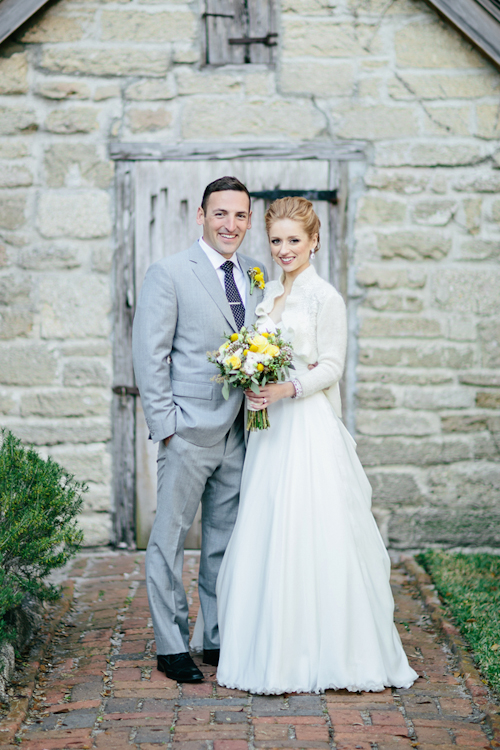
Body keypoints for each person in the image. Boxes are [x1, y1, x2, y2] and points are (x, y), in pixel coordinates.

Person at [215, 197, 418, 694]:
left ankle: (329, 651)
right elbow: (261, 354)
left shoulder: (324, 297)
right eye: (278, 240)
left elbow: (332, 365)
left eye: (294, 240)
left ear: (315, 241)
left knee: (311, 530)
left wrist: (286, 388)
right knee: (269, 528)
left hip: (307, 427)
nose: (284, 250)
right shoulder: (268, 298)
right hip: (270, 433)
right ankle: (273, 652)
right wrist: (251, 379)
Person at [132, 176, 266, 683]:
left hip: (240, 431)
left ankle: (214, 638)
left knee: (222, 542)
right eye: (221, 214)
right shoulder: (169, 273)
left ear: (248, 221)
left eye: (240, 216)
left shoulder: (254, 273)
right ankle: (171, 647)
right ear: (201, 216)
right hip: (187, 432)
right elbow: (150, 354)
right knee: (168, 540)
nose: (230, 225)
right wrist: (167, 427)